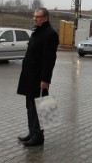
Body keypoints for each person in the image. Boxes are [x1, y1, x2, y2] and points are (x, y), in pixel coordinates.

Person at [16, 8, 59, 147]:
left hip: (39, 78)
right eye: (34, 16)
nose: (35, 19)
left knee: (39, 107)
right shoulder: (37, 31)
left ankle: (38, 137)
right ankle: (32, 132)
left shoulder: (50, 34)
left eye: (38, 17)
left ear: (46, 18)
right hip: (29, 76)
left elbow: (49, 59)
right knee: (30, 106)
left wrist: (45, 79)